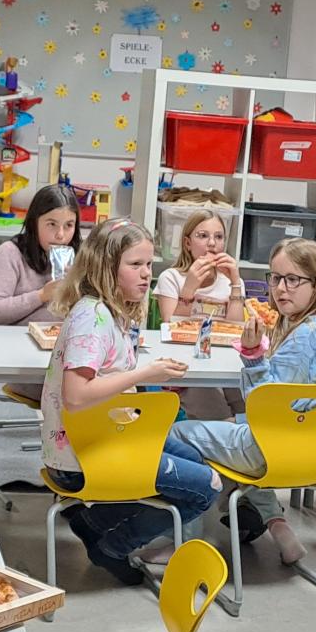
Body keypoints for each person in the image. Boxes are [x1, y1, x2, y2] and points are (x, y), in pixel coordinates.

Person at [41, 218, 223, 585]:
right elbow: (76, 395)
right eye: (135, 264)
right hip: (81, 455)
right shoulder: (93, 317)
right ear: (106, 268)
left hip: (106, 436)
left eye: (149, 264)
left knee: (197, 462)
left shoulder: (109, 310)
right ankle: (113, 546)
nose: (146, 274)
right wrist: (144, 375)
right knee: (206, 488)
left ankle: (93, 523)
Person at [165, 238, 316, 565]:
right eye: (275, 278)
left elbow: (263, 403)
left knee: (179, 433)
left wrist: (253, 357)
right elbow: (284, 408)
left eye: (293, 279)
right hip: (308, 449)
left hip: (271, 447)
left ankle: (184, 543)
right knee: (229, 430)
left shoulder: (303, 336)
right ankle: (280, 528)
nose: (281, 288)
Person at [153, 209, 247, 420]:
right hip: (188, 368)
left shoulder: (232, 282)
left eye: (219, 237)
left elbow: (236, 330)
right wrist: (189, 288)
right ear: (188, 243)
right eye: (203, 236)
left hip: (227, 365)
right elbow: (171, 330)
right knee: (220, 418)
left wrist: (235, 283)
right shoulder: (171, 277)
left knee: (247, 411)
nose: (212, 243)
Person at [0, 185, 83, 326]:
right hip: (16, 337)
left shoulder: (81, 257)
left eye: (69, 225)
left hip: (64, 337)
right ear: (34, 223)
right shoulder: (10, 253)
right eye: (52, 224)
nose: (60, 235)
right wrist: (42, 295)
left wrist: (81, 288)